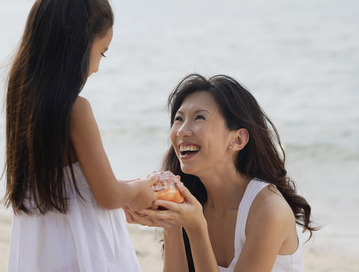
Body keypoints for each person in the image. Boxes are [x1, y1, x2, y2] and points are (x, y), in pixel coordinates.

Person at [2, 0, 156, 272]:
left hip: (42, 248)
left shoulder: (22, 103)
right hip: (82, 246)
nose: (98, 66)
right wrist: (139, 190)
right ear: (78, 47)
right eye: (102, 51)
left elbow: (77, 182)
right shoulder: (77, 109)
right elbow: (108, 194)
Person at [125, 74, 318, 272]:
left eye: (199, 117)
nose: (182, 131)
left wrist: (196, 227)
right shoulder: (191, 203)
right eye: (178, 119)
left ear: (237, 139)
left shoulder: (268, 209)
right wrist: (172, 226)